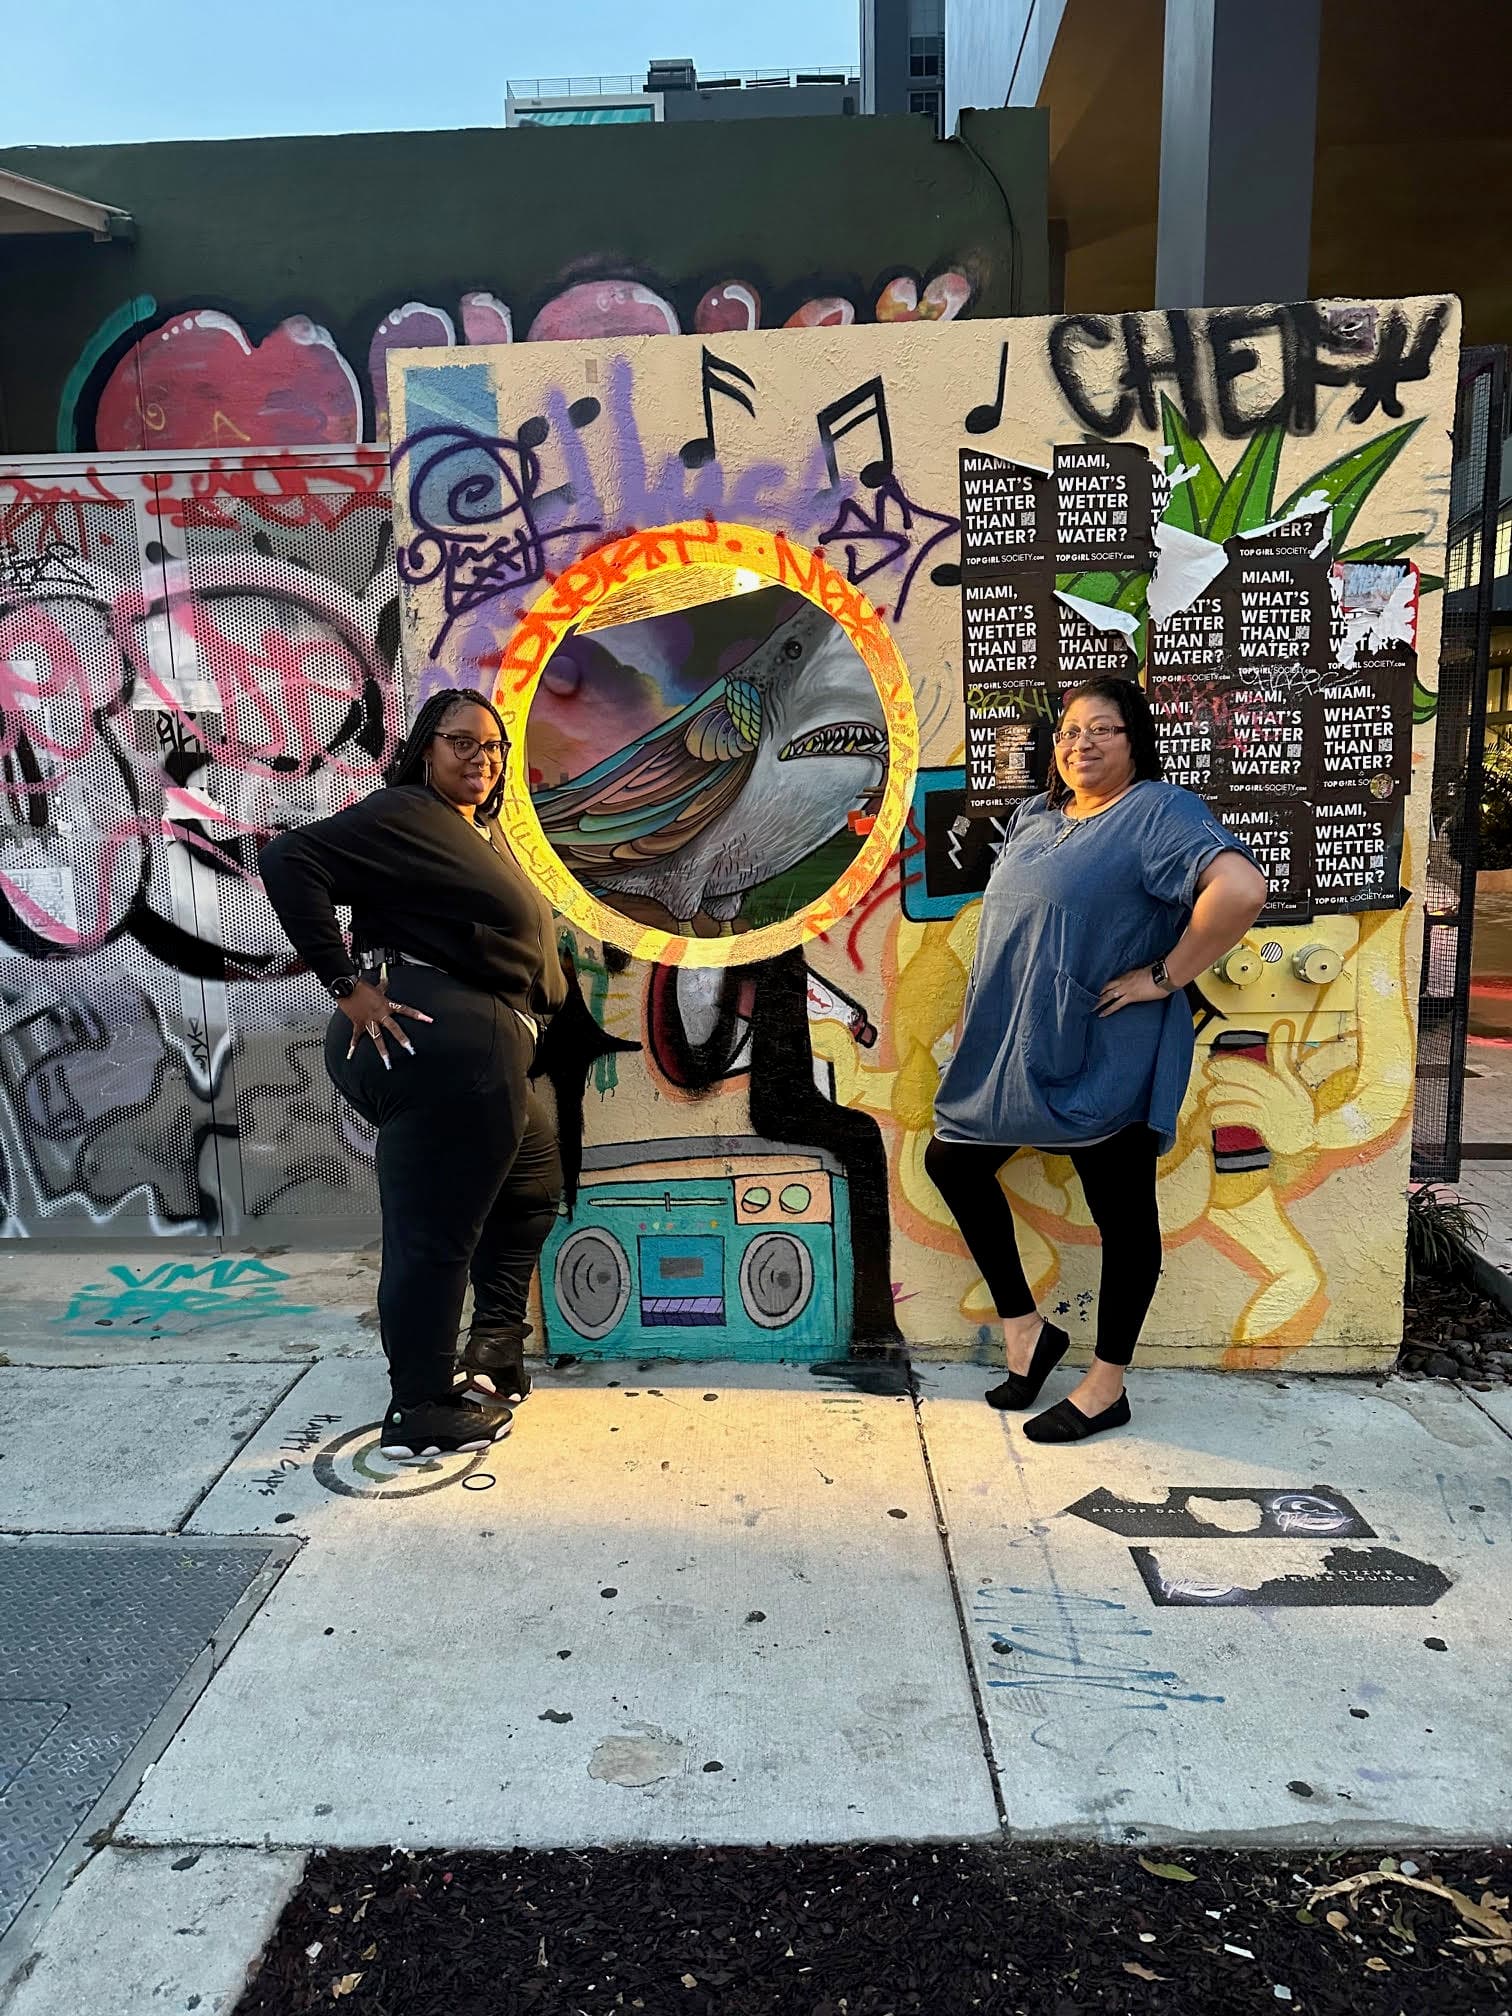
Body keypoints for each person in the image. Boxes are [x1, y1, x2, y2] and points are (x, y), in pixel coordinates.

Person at [926, 676, 1268, 1444]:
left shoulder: (1157, 812)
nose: (1082, 742)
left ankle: (1106, 1384)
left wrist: (1164, 976)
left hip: (1102, 1049)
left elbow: (1241, 890)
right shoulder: (1034, 817)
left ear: (1135, 740)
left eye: (1103, 729)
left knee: (1122, 1213)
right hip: (1015, 1046)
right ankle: (1028, 1331)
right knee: (952, 1161)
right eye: (1071, 730)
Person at [259, 687, 567, 1461]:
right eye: (462, 742)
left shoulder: (469, 832)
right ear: (426, 748)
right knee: (434, 1238)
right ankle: (421, 1405)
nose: (481, 759)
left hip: (480, 1050)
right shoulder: (404, 813)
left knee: (533, 1183)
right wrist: (344, 983)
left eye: (493, 748)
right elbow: (288, 858)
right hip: (441, 1045)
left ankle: (495, 1341)